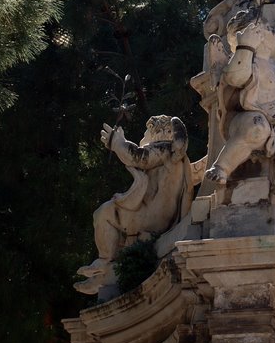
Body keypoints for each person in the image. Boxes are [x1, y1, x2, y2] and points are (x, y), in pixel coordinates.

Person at [75, 115, 194, 294]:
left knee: (105, 213)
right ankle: (103, 276)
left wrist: (118, 143)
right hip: (161, 217)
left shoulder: (164, 149)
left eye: (147, 131)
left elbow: (138, 157)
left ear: (158, 132)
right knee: (115, 219)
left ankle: (104, 259)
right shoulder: (179, 160)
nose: (144, 135)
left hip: (151, 216)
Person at [205, 19, 275, 199]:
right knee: (257, 127)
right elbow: (235, 79)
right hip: (247, 121)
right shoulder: (245, 61)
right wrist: (245, 47)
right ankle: (222, 167)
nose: (272, 33)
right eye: (265, 30)